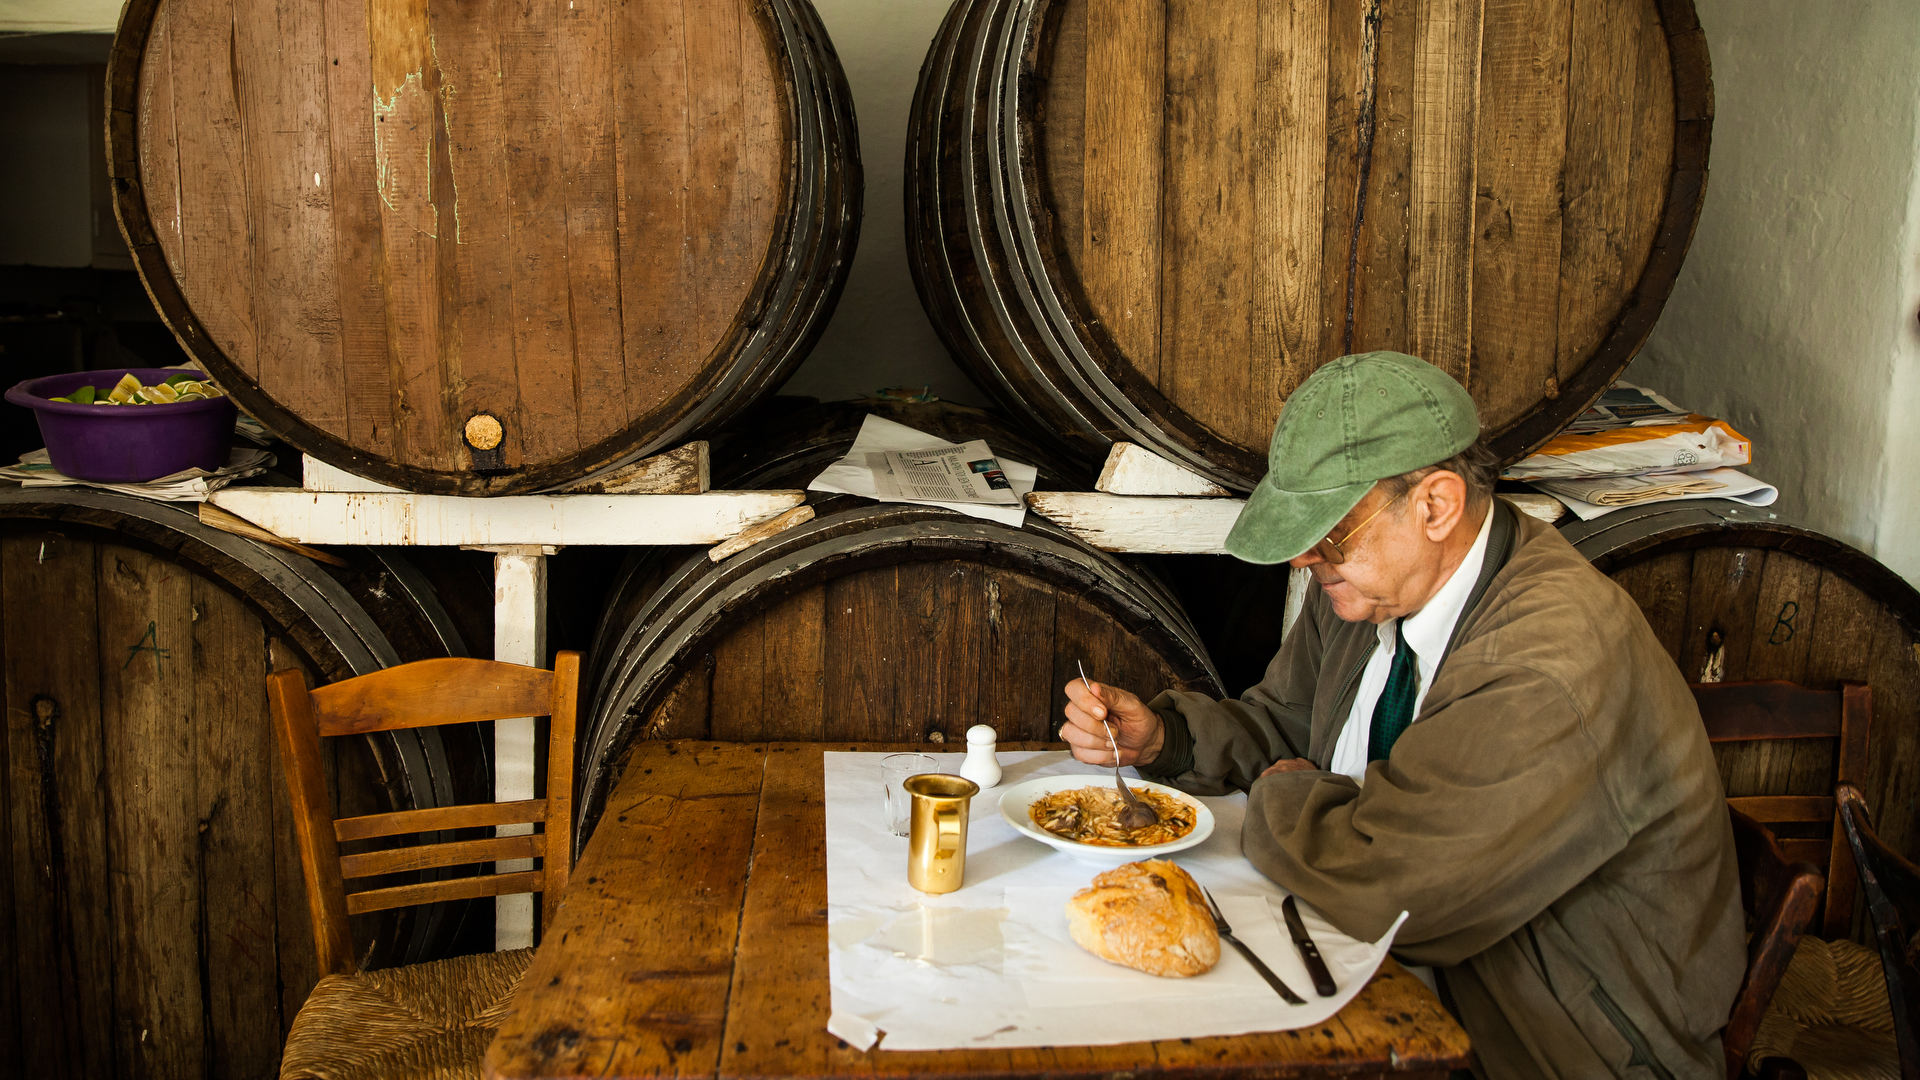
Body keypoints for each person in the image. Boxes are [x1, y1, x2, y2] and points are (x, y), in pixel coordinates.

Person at [1062, 352, 1746, 1079]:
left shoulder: (1546, 660)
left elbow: (1392, 888)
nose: (1302, 558)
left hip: (1550, 1044)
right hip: (1410, 975)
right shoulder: (1372, 590)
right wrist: (1170, 739)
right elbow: (1288, 725)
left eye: (1327, 533)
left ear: (1436, 506)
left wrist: (1286, 796)